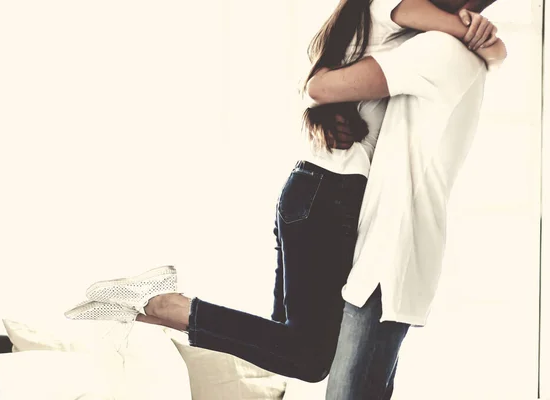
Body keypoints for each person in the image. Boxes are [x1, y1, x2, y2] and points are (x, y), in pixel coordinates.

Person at [64, 0, 504, 389]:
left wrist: (482, 39)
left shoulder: (385, 32)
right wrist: (476, 34)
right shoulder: (401, 17)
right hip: (331, 193)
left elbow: (315, 84)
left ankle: (149, 306)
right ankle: (167, 303)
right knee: (309, 357)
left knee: (294, 348)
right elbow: (319, 87)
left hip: (315, 191)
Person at [306, 0, 506, 398]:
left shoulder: (438, 50)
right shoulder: (462, 54)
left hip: (388, 252)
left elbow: (319, 87)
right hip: (397, 249)